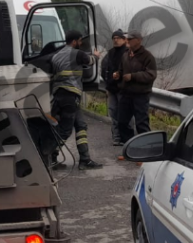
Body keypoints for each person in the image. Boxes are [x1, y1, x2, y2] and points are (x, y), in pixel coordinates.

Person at [49, 30, 103, 170]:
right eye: (79, 41)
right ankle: (49, 156)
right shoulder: (77, 54)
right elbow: (90, 61)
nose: (80, 43)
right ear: (74, 41)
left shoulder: (56, 56)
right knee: (65, 130)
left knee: (81, 125)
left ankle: (85, 159)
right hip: (70, 95)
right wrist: (96, 56)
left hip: (60, 96)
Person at [116, 31, 157, 143]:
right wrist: (118, 75)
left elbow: (151, 75)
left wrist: (133, 76)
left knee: (141, 123)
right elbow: (121, 70)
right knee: (122, 122)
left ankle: (146, 147)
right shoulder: (125, 55)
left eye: (130, 39)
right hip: (125, 94)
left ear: (139, 40)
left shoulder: (147, 56)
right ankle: (129, 145)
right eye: (127, 39)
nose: (127, 41)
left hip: (141, 95)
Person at [100, 29, 129, 146]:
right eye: (114, 38)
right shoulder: (110, 53)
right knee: (113, 113)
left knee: (125, 114)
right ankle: (116, 137)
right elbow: (104, 69)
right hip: (112, 89)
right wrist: (108, 84)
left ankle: (126, 138)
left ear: (124, 39)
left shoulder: (128, 53)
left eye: (118, 38)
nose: (116, 40)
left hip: (124, 89)